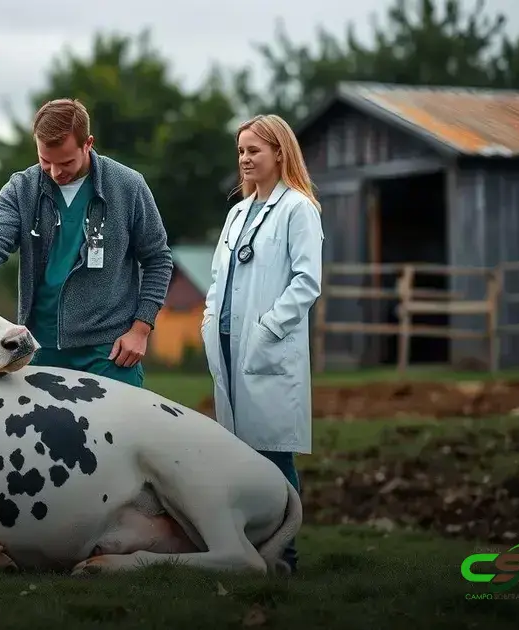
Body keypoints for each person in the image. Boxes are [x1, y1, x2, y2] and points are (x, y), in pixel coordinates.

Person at [0, 98, 173, 387]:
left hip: (109, 353)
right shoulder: (21, 188)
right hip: (40, 348)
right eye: (45, 161)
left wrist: (141, 328)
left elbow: (158, 260)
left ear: (87, 144)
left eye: (65, 162)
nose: (54, 172)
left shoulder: (128, 186)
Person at [200, 113, 324, 575]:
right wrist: (210, 318)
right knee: (240, 453)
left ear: (279, 153)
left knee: (273, 453)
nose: (245, 159)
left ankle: (284, 556)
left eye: (254, 150)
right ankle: (250, 549)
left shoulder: (298, 209)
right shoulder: (237, 212)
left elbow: (307, 282)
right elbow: (218, 278)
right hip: (230, 347)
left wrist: (271, 327)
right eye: (241, 151)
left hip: (266, 346)